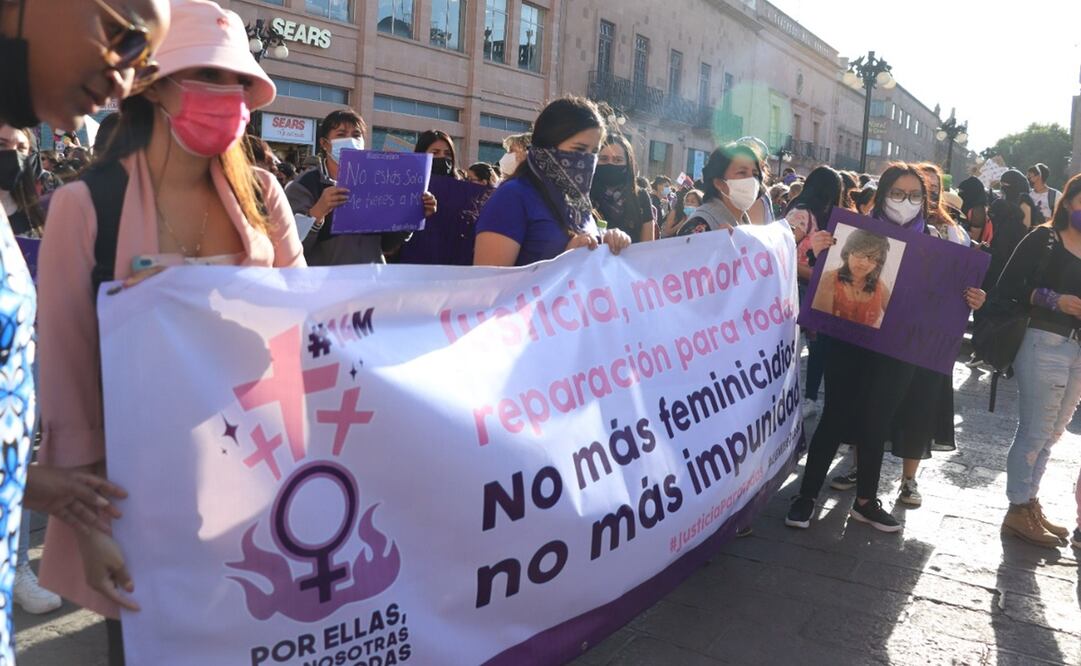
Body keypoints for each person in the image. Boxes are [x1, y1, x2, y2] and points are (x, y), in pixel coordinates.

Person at [35, 4, 301, 664]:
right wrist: (89, 525)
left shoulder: (263, 195)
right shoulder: (84, 205)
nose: (231, 96)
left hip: (262, 486)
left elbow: (312, 326)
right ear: (153, 85)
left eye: (240, 79)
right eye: (208, 74)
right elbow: (65, 378)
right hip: (140, 503)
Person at [788, 163, 985, 532]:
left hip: (900, 347)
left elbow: (950, 295)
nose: (905, 201)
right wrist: (817, 251)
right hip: (850, 338)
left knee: (877, 420)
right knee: (835, 414)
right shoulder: (853, 230)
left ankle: (865, 501)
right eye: (897, 193)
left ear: (925, 200)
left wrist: (973, 298)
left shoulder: (939, 240)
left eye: (914, 195)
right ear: (882, 195)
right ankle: (806, 495)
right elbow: (826, 277)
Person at [997, 174, 1081, 548]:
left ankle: (1029, 502)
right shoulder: (1044, 238)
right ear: (1068, 202)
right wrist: (1054, 300)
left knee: (1053, 432)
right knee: (1035, 429)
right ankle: (1016, 509)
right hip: (1042, 341)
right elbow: (1007, 284)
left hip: (1077, 348)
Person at [473, 96, 631, 266]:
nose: (587, 160)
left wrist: (609, 241)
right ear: (548, 145)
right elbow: (489, 286)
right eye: (579, 149)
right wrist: (563, 261)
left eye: (594, 152)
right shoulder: (511, 197)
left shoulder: (579, 205)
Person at [285, 109, 436, 265]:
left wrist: (412, 214)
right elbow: (290, 245)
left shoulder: (379, 181)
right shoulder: (305, 185)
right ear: (324, 143)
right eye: (341, 134)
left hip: (371, 280)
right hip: (326, 285)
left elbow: (388, 245)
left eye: (356, 135)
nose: (350, 140)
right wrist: (317, 212)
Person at [785, 166, 843, 418]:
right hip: (799, 288)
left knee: (816, 348)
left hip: (814, 289)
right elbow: (783, 250)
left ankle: (807, 398)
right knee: (797, 348)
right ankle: (796, 397)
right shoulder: (803, 214)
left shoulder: (822, 215)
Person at [810, 228, 892, 328]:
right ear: (847, 252)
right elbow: (819, 323)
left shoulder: (880, 287)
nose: (864, 263)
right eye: (860, 253)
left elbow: (897, 320)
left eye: (873, 258)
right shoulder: (829, 279)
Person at [675, 143, 761, 235]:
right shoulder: (700, 225)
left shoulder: (744, 221)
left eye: (755, 174)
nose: (751, 180)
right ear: (719, 183)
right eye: (742, 172)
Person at [590, 134, 656, 243]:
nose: (610, 164)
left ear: (627, 164)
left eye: (617, 160)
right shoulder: (584, 195)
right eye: (604, 159)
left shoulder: (641, 197)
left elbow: (647, 246)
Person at [984, 169, 1039, 294]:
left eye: (1007, 185)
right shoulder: (1003, 201)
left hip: (1013, 256)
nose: (1004, 188)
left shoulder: (1024, 200)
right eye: (1002, 184)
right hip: (998, 253)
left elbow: (1024, 231)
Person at [958, 175, 989, 244]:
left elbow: (975, 237)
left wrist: (955, 230)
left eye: (962, 191)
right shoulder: (966, 205)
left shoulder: (977, 211)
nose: (959, 194)